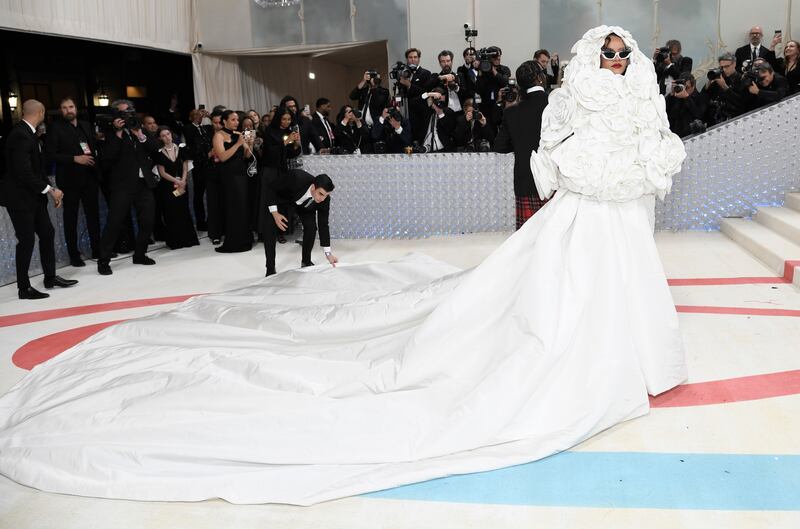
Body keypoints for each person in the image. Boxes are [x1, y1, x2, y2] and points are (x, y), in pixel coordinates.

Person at [0, 26, 688, 506]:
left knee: (621, 282)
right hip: (589, 215)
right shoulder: (571, 100)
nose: (617, 63)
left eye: (624, 55)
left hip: (623, 220)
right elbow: (558, 165)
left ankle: (636, 351)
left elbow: (658, 150)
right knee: (568, 298)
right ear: (593, 56)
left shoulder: (641, 98)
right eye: (610, 54)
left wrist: (643, 166)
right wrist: (610, 173)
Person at [2, 99, 77, 298]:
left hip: (33, 196)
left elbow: (37, 169)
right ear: (41, 112)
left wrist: (50, 189)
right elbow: (23, 172)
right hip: (19, 198)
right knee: (26, 240)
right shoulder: (20, 135)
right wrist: (50, 191)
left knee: (47, 233)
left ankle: (50, 277)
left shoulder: (29, 134)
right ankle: (23, 288)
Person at [97, 99, 160, 275]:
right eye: (124, 113)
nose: (128, 115)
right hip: (122, 186)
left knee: (147, 220)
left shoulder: (138, 129)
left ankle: (140, 254)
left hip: (143, 183)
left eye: (130, 112)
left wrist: (140, 134)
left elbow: (156, 149)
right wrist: (117, 134)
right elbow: (107, 159)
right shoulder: (110, 132)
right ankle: (103, 261)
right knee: (114, 223)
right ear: (117, 115)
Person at [44, 96, 101, 266]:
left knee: (93, 215)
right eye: (64, 107)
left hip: (90, 177)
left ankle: (98, 249)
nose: (68, 110)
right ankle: (74, 255)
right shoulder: (55, 128)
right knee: (71, 218)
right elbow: (51, 155)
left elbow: (92, 148)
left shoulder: (85, 125)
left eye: (71, 106)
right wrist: (74, 159)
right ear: (61, 111)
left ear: (76, 108)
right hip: (69, 180)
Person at [494, 61, 549, 228]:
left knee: (527, 241)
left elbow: (500, 147)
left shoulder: (512, 111)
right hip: (555, 181)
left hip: (526, 181)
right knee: (556, 238)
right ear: (540, 78)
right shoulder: (556, 106)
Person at [260, 170, 337, 275]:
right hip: (283, 201)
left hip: (305, 207)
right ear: (313, 187)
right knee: (269, 227)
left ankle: (306, 262)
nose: (322, 199)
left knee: (311, 227)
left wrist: (328, 254)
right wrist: (275, 214)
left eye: (326, 195)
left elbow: (323, 225)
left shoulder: (324, 200)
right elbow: (271, 188)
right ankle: (270, 268)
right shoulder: (296, 178)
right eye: (321, 194)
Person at [213, 110, 254, 253]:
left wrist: (250, 143)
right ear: (224, 121)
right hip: (228, 176)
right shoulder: (219, 135)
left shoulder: (238, 134)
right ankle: (234, 242)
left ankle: (245, 240)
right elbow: (222, 157)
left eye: (237, 120)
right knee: (233, 208)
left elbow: (247, 155)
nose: (237, 122)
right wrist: (237, 144)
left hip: (241, 174)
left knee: (243, 207)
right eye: (233, 120)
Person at [153, 126, 199, 250]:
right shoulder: (159, 153)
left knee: (184, 209)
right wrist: (176, 180)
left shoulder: (181, 148)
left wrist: (183, 181)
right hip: (168, 187)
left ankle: (188, 239)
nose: (167, 137)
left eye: (168, 134)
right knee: (171, 212)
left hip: (182, 185)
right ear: (160, 138)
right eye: (163, 135)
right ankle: (175, 241)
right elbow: (162, 173)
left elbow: (185, 167)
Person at [183, 108, 213, 231]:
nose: (199, 116)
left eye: (200, 114)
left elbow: (217, 128)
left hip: (210, 164)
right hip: (198, 166)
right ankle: (200, 222)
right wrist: (196, 121)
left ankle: (211, 219)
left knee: (211, 193)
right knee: (199, 194)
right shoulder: (188, 128)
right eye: (195, 114)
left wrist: (209, 116)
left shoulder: (206, 128)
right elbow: (191, 137)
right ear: (190, 118)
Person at [701, 52, 746, 126]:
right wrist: (709, 81)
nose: (724, 70)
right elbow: (704, 96)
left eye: (727, 66)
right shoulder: (718, 77)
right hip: (714, 120)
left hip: (734, 121)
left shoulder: (741, 79)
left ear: (734, 64)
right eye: (722, 67)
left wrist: (725, 87)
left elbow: (741, 102)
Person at [665, 72, 707, 138]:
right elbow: (666, 112)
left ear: (693, 86)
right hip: (676, 136)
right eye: (682, 87)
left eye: (687, 87)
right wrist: (671, 94)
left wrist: (687, 97)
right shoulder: (675, 97)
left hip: (693, 135)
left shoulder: (701, 97)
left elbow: (699, 114)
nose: (684, 90)